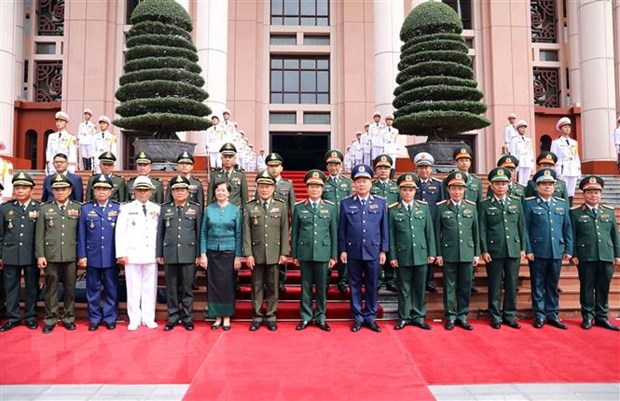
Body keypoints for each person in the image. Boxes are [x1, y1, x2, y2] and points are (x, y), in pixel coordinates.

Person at [339, 164, 388, 333]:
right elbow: (342, 229)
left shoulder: (380, 203)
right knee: (354, 284)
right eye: (358, 181)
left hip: (373, 250)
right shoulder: (346, 204)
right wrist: (343, 250)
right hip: (353, 251)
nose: (361, 184)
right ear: (353, 183)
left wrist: (383, 250)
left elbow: (384, 229)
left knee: (372, 284)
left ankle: (371, 316)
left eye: (365, 181)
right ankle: (358, 317)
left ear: (371, 183)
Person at [523, 168, 573, 329]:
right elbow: (525, 229)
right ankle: (539, 315)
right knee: (537, 284)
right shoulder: (529, 203)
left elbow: (567, 228)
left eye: (550, 184)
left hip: (556, 250)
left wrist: (569, 249)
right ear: (537, 187)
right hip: (538, 251)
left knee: (552, 284)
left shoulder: (561, 204)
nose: (547, 187)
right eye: (543, 184)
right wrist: (528, 249)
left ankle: (552, 314)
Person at [570, 176, 620, 331]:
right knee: (587, 287)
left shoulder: (609, 212)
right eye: (590, 192)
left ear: (601, 194)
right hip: (586, 255)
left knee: (603, 287)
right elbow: (572, 235)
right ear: (584, 194)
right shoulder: (575, 213)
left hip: (606, 254)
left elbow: (615, 235)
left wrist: (617, 254)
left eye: (597, 192)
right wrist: (573, 254)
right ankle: (588, 316)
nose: (594, 195)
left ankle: (602, 316)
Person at [479, 167, 526, 329]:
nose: (500, 186)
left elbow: (521, 227)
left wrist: (522, 248)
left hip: (513, 248)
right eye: (497, 183)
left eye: (504, 183)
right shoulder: (484, 205)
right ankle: (495, 316)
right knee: (495, 284)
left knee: (512, 284)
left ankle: (510, 315)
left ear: (509, 185)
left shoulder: (516, 202)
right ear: (491, 186)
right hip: (494, 250)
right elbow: (482, 229)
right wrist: (484, 250)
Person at [291, 170, 337, 332]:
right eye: (312, 186)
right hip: (305, 252)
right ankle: (305, 317)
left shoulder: (330, 208)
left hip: (323, 253)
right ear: (307, 188)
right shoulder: (299, 207)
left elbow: (333, 233)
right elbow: (295, 232)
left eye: (318, 186)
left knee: (322, 287)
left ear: (322, 188)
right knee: (305, 286)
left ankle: (321, 317)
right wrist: (294, 254)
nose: (315, 189)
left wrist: (333, 255)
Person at [389, 173, 435, 331]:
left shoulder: (423, 207)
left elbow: (429, 232)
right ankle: (403, 317)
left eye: (410, 189)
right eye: (404, 189)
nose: (408, 192)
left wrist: (431, 253)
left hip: (421, 254)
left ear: (415, 191)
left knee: (420, 287)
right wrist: (393, 256)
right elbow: (391, 236)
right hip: (403, 255)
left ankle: (419, 316)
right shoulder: (394, 210)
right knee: (403, 288)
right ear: (399, 191)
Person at [244, 170, 289, 331]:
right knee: (256, 286)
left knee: (272, 286)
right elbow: (246, 232)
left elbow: (285, 230)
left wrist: (284, 252)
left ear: (273, 188)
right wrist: (248, 253)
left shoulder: (281, 206)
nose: (264, 190)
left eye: (267, 187)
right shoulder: (250, 207)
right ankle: (257, 316)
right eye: (261, 186)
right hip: (256, 254)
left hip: (274, 253)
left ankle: (270, 316)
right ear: (257, 188)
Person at [36, 174, 81, 333]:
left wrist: (81, 255)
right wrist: (40, 255)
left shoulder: (77, 208)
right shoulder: (44, 208)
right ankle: (50, 318)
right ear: (52, 191)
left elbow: (80, 234)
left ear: (70, 190)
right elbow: (39, 235)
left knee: (70, 288)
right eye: (57, 189)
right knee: (51, 288)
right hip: (51, 254)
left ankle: (69, 317)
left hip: (71, 254)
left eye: (63, 189)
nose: (60, 192)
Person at [434, 171, 479, 331]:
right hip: (449, 252)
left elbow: (476, 231)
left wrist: (476, 253)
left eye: (460, 188)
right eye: (454, 188)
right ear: (448, 190)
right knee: (449, 285)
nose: (457, 192)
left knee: (465, 285)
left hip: (467, 251)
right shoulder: (440, 208)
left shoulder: (471, 207)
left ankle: (462, 315)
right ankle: (451, 316)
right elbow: (436, 232)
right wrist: (438, 253)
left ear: (464, 190)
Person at [157, 175, 202, 332]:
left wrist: (198, 254)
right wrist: (159, 253)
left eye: (182, 189)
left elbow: (198, 233)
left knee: (187, 288)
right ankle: (173, 317)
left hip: (188, 253)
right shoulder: (165, 208)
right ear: (172, 192)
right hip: (169, 253)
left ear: (188, 192)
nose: (179, 193)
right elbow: (160, 233)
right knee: (171, 288)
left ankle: (188, 318)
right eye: (176, 190)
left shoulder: (195, 208)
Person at [115, 176, 160, 331]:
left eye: (145, 190)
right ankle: (134, 318)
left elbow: (159, 233)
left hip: (151, 253)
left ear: (151, 192)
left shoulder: (157, 209)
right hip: (132, 254)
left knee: (150, 288)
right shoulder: (126, 208)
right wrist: (121, 253)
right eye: (139, 190)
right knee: (133, 288)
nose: (142, 193)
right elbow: (120, 232)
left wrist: (159, 253)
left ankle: (148, 318)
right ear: (134, 191)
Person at [77, 174, 120, 331]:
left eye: (105, 189)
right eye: (98, 189)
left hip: (111, 256)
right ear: (94, 191)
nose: (101, 192)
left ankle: (110, 317)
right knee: (92, 289)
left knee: (111, 288)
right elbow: (81, 234)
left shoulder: (117, 208)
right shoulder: (86, 208)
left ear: (110, 192)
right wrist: (82, 255)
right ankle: (94, 318)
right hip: (92, 256)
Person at [199, 180, 242, 331]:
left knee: (227, 285)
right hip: (212, 252)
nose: (221, 193)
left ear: (229, 193)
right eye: (218, 190)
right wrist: (203, 254)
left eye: (224, 190)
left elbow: (239, 234)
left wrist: (238, 256)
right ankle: (216, 317)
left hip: (229, 252)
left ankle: (227, 317)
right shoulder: (209, 209)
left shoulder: (235, 210)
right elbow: (203, 233)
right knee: (213, 284)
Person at [0, 173, 40, 331]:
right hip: (10, 253)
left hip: (31, 254)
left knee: (31, 287)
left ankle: (30, 316)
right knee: (11, 287)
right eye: (17, 187)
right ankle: (13, 317)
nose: (20, 190)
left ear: (31, 190)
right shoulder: (5, 208)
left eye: (24, 187)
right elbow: (1, 234)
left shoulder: (39, 208)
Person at [263, 152, 295, 293]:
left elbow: (292, 206)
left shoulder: (287, 185)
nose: (274, 169)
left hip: (282, 224)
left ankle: (281, 280)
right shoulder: (263, 184)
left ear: (281, 168)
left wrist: (292, 225)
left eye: (276, 166)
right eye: (271, 166)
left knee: (282, 252)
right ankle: (266, 282)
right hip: (266, 223)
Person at [414, 152, 446, 293]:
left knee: (431, 250)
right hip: (415, 223)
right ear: (417, 169)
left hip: (432, 223)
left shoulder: (438, 185)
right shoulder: (411, 184)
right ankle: (418, 279)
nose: (424, 170)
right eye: (421, 167)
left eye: (426, 167)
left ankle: (429, 280)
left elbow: (441, 205)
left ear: (431, 169)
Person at [322, 149, 352, 293]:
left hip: (343, 221)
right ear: (327, 166)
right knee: (327, 250)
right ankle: (326, 278)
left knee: (343, 250)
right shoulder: (323, 183)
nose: (334, 167)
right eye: (331, 164)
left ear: (341, 166)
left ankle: (342, 279)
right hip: (326, 222)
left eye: (336, 164)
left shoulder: (346, 182)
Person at [371, 154, 400, 292]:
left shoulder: (397, 187)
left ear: (390, 170)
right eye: (380, 168)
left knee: (392, 248)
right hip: (375, 223)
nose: (383, 171)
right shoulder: (371, 186)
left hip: (393, 222)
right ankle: (377, 278)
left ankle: (391, 279)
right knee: (377, 250)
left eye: (386, 168)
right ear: (375, 170)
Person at [550, 117, 581, 205]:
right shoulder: (556, 143)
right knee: (562, 191)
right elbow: (554, 158)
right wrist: (556, 171)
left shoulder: (574, 142)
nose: (567, 129)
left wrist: (578, 171)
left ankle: (569, 209)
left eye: (569, 127)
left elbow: (576, 156)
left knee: (571, 192)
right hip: (563, 169)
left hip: (573, 169)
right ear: (560, 129)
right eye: (565, 127)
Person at [508, 120, 534, 186]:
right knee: (520, 180)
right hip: (520, 161)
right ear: (517, 129)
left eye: (524, 128)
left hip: (527, 161)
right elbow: (513, 152)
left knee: (527, 180)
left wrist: (532, 162)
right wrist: (515, 163)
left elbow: (531, 151)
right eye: (521, 127)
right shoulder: (514, 140)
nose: (523, 129)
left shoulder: (528, 140)